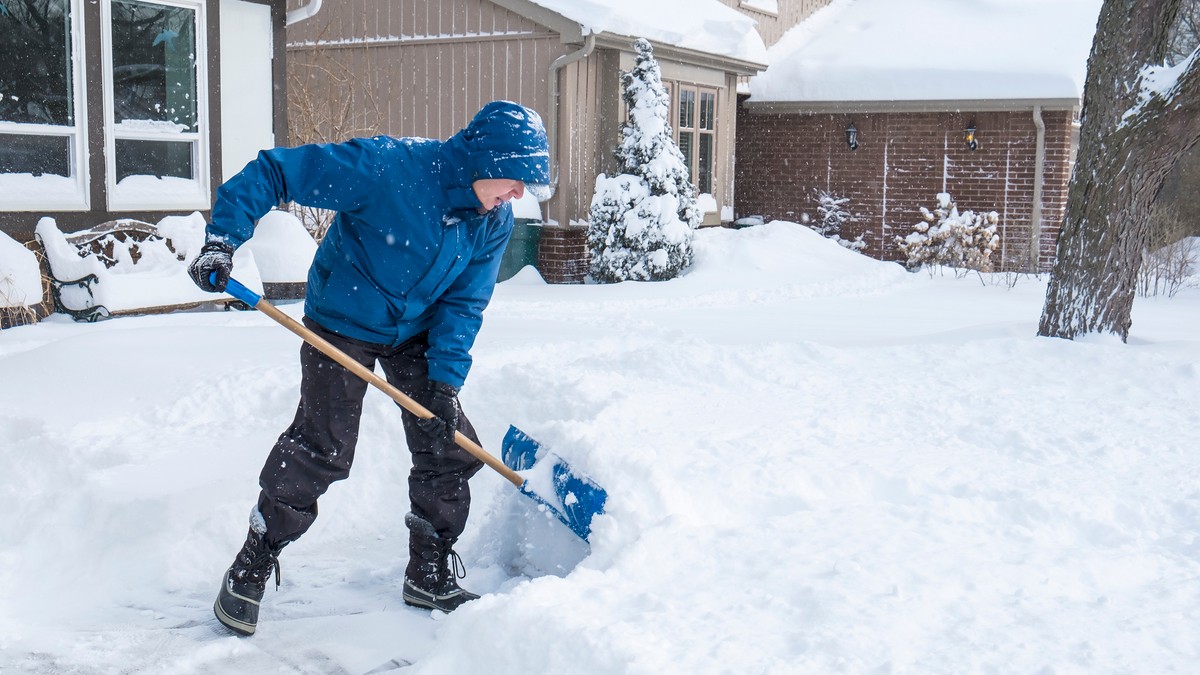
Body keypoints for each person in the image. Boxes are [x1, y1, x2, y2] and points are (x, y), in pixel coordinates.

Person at [187, 101, 551, 636]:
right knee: (323, 445)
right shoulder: (387, 168)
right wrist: (222, 241)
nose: (519, 195)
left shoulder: (491, 220)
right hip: (344, 317)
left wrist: (445, 385)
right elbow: (275, 170)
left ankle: (428, 572)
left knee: (448, 444)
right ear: (485, 160)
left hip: (417, 329)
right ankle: (253, 561)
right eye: (517, 179)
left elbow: (464, 304)